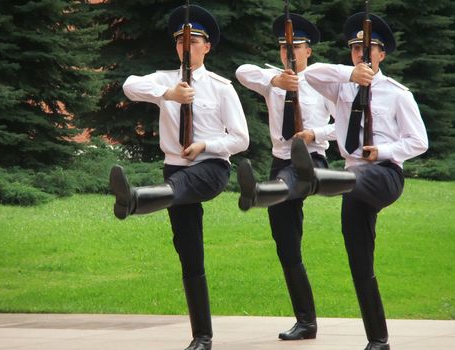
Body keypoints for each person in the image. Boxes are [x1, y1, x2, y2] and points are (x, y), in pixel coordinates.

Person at [109, 4, 249, 350]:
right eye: (180, 42)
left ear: (206, 47)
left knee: (178, 188)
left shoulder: (220, 87)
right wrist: (167, 94)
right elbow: (128, 85)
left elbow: (241, 138)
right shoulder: (163, 80)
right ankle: (202, 337)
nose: (185, 47)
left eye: (193, 41)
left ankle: (137, 199)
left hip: (211, 168)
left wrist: (205, 144)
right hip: (174, 170)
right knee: (189, 251)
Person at [304, 12, 428, 350]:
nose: (360, 53)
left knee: (353, 176)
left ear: (382, 54)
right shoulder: (341, 84)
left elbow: (419, 141)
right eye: (355, 48)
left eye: (368, 48)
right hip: (350, 180)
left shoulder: (397, 93)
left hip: (385, 174)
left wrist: (383, 150)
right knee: (360, 262)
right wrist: (349, 74)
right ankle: (378, 340)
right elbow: (310, 73)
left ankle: (315, 178)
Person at [235, 13, 355, 341]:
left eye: (295, 47)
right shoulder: (271, 79)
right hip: (280, 162)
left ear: (308, 51)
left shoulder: (322, 83)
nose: (289, 53)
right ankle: (306, 321)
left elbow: (344, 124)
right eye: (284, 47)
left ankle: (259, 192)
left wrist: (314, 132)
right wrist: (276, 81)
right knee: (287, 247)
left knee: (294, 174)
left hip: (310, 158)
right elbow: (241, 72)